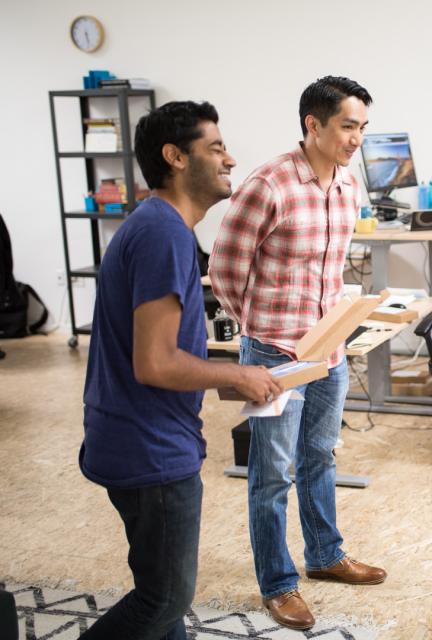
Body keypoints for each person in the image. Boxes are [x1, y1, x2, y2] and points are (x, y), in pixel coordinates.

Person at [78, 101, 282, 640]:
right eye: (215, 147)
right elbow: (156, 362)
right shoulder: (163, 233)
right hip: (148, 449)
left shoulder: (158, 227)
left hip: (137, 438)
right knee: (163, 598)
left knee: (165, 608)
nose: (229, 158)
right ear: (175, 156)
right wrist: (238, 375)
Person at [208, 76, 385, 631]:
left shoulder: (348, 185)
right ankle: (278, 584)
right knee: (272, 473)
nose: (357, 138)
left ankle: (326, 556)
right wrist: (259, 332)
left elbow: (330, 272)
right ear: (314, 124)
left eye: (362, 127)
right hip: (276, 352)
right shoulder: (270, 184)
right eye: (347, 126)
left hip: (328, 349)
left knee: (320, 457)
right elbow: (224, 269)